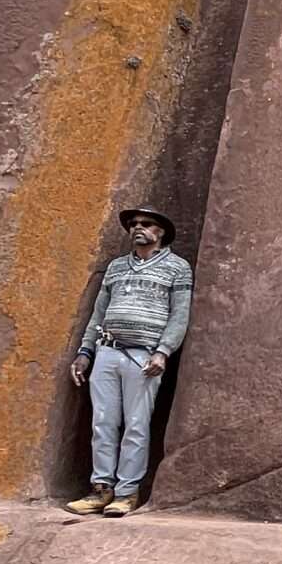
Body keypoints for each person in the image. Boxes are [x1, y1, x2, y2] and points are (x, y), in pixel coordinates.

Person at [66, 206, 194, 517]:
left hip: (144, 354)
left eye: (146, 224)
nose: (138, 228)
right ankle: (100, 489)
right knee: (103, 422)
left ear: (160, 232)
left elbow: (180, 315)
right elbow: (99, 312)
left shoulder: (178, 268)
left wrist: (163, 351)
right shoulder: (116, 267)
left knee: (136, 424)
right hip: (108, 350)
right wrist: (86, 352)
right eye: (133, 224)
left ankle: (127, 493)